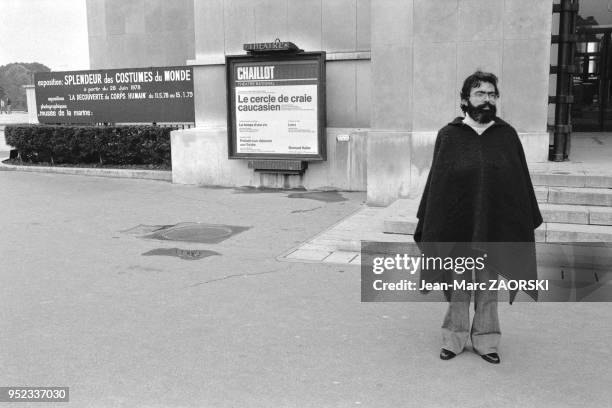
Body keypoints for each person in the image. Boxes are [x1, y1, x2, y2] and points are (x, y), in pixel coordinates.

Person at [413, 71, 543, 364]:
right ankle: (454, 338)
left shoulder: (506, 136)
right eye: (480, 93)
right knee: (459, 287)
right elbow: (438, 184)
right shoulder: (449, 135)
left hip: (494, 227)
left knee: (487, 287)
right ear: (465, 100)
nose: (487, 100)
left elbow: (518, 183)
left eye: (492, 94)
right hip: (458, 226)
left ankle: (486, 340)